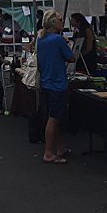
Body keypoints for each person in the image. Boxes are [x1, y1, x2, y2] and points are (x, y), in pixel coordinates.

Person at [37, 10, 75, 164]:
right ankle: (48, 152)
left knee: (54, 117)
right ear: (53, 23)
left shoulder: (41, 39)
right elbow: (71, 57)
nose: (62, 22)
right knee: (53, 119)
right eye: (60, 20)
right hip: (57, 84)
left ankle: (60, 147)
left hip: (45, 82)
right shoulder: (58, 40)